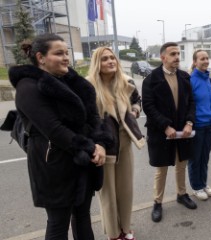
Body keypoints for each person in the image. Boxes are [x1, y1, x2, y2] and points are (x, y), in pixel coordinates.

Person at [8, 33, 109, 239]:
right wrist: (91, 148)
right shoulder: (27, 87)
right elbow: (54, 129)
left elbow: (93, 117)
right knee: (58, 223)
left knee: (82, 216)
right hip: (53, 165)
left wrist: (100, 144)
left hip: (82, 161)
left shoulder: (73, 82)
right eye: (59, 53)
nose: (66, 58)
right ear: (40, 57)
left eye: (66, 53)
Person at [87, 47, 145, 240]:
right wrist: (95, 144)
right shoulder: (89, 87)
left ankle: (126, 228)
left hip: (125, 142)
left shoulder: (126, 82)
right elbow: (87, 119)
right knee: (108, 194)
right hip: (103, 147)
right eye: (105, 59)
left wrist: (134, 112)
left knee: (125, 190)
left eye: (112, 58)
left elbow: (137, 101)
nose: (111, 61)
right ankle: (114, 233)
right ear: (97, 64)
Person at [142, 42, 197, 223]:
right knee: (162, 168)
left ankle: (182, 194)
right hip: (161, 132)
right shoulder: (151, 79)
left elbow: (191, 102)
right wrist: (165, 126)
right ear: (163, 57)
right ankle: (157, 202)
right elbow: (148, 107)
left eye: (178, 54)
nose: (177, 57)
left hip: (183, 130)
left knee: (182, 164)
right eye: (173, 54)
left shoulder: (184, 77)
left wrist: (189, 123)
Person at [187, 50, 211, 201]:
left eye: (207, 58)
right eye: (202, 59)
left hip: (210, 125)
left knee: (205, 157)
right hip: (197, 126)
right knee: (195, 158)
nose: (205, 61)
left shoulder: (208, 79)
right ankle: (196, 187)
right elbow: (188, 105)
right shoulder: (191, 80)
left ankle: (203, 183)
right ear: (195, 62)